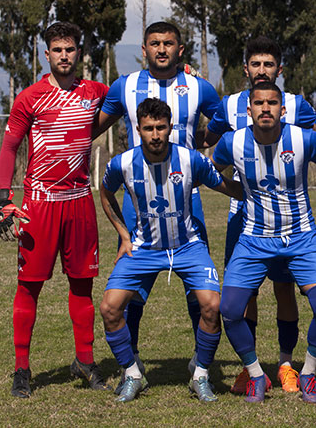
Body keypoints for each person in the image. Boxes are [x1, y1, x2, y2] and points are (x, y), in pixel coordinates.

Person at [93, 21, 222, 383]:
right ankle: (131, 364)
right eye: (154, 43)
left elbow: (225, 122)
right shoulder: (126, 86)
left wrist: (204, 141)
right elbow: (92, 128)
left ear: (180, 50)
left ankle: (200, 366)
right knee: (132, 288)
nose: (161, 49)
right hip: (138, 201)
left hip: (187, 200)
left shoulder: (198, 87)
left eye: (168, 43)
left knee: (199, 289)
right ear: (144, 49)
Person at [98, 98, 242, 402]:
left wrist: (257, 190)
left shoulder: (191, 160)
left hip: (188, 246)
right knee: (110, 309)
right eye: (148, 128)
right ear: (138, 129)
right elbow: (105, 191)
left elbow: (226, 187)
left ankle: (200, 373)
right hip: (143, 249)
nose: (155, 134)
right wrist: (124, 235)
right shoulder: (122, 163)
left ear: (170, 128)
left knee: (212, 306)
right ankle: (133, 374)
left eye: (160, 127)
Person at [0, 21, 109, 398]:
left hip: (79, 202)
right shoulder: (30, 97)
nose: (64, 56)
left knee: (82, 285)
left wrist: (178, 73)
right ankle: (22, 369)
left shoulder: (95, 92)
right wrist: (3, 199)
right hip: (39, 204)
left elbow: (131, 96)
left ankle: (85, 360)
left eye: (70, 49)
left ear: (79, 53)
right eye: (57, 50)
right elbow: (10, 147)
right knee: (28, 288)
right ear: (47, 54)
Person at [213, 82, 316, 403]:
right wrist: (235, 191)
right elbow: (210, 172)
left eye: (272, 103)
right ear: (249, 110)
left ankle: (309, 373)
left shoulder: (304, 139)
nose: (266, 108)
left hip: (302, 238)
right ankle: (257, 375)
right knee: (228, 309)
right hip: (254, 239)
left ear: (283, 109)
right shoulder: (232, 142)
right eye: (259, 103)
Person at [203, 36, 316, 394]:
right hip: (246, 217)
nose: (262, 71)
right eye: (256, 64)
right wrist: (233, 188)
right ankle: (248, 367)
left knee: (284, 289)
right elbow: (211, 144)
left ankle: (285, 365)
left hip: (290, 218)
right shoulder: (229, 105)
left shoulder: (298, 105)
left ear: (279, 70)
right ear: (246, 69)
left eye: (269, 65)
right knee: (245, 294)